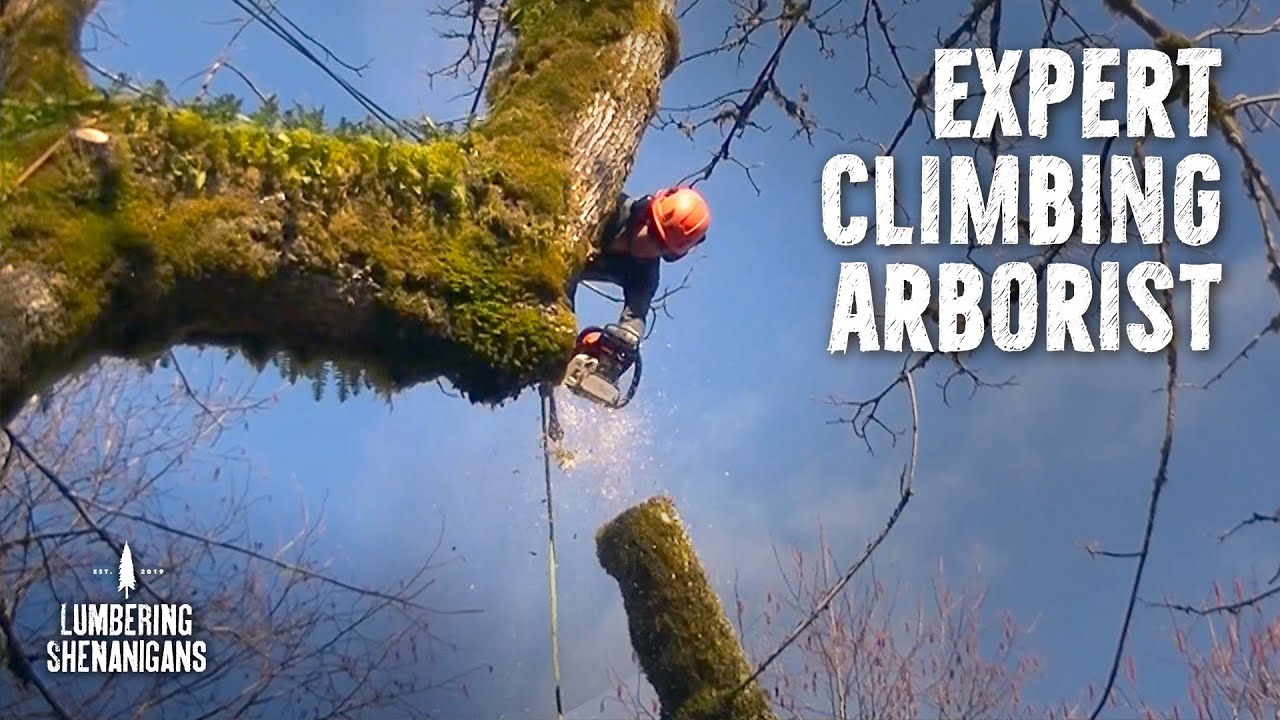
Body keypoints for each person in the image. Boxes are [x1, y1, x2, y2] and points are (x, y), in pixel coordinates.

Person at [565, 186, 712, 381]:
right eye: (653, 234)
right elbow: (564, 275)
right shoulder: (606, 207)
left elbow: (635, 315)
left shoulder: (644, 274)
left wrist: (620, 345)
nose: (651, 248)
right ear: (644, 213)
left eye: (661, 248)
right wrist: (565, 336)